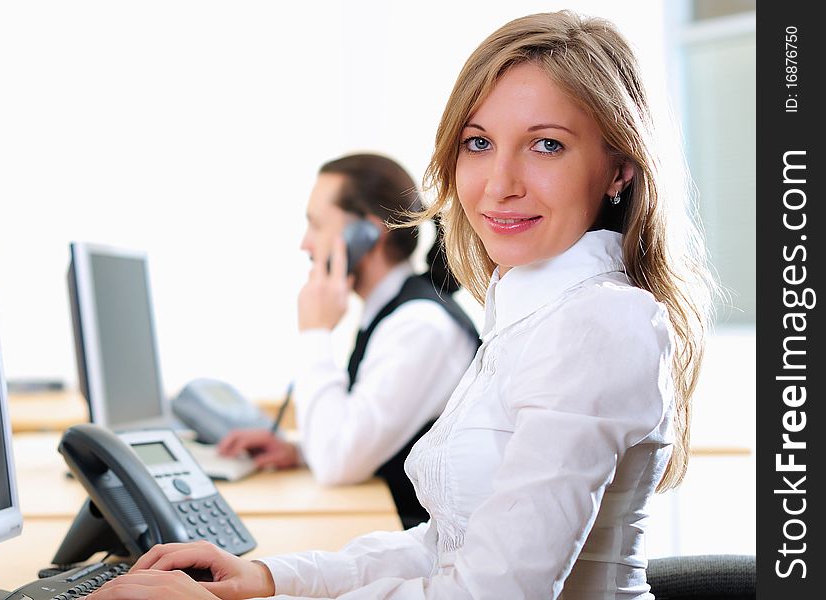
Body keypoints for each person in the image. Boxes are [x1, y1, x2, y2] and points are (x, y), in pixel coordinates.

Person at [88, 10, 716, 600]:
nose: (500, 184)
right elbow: (446, 546)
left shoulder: (596, 322)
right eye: (477, 144)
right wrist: (267, 577)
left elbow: (488, 594)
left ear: (619, 170)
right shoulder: (528, 313)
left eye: (546, 144)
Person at [218, 153, 480, 528]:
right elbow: (359, 437)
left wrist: (315, 332)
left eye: (316, 225)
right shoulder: (393, 314)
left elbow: (337, 464)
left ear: (368, 233)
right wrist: (299, 450)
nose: (305, 245)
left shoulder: (419, 327)